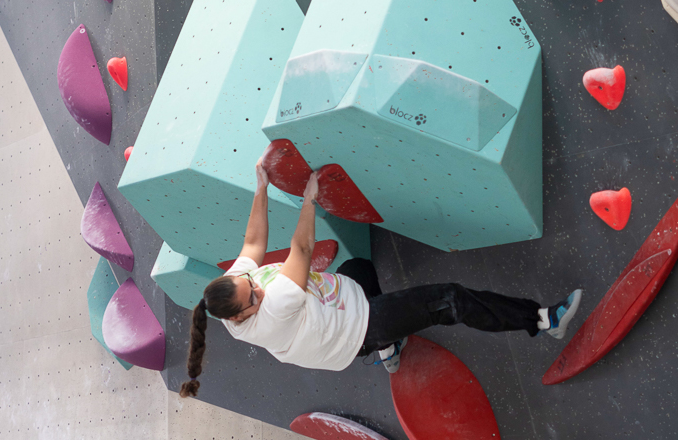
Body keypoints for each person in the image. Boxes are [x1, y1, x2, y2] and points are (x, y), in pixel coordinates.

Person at [179, 159, 582, 397]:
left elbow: (253, 242)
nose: (258, 286)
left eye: (252, 282)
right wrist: (309, 199)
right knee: (450, 300)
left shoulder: (232, 293)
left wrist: (261, 188)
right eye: (253, 295)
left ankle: (388, 350)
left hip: (336, 316)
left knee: (359, 269)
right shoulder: (275, 307)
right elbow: (301, 249)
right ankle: (542, 320)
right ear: (240, 317)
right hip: (356, 330)